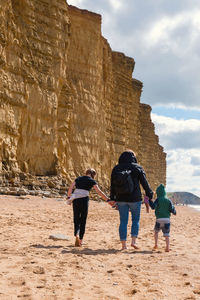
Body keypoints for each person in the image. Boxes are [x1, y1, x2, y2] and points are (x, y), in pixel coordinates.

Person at [110, 150, 153, 250]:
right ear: (133, 157)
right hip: (135, 198)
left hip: (121, 198)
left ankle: (123, 245)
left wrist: (112, 198)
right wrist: (149, 194)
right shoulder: (137, 167)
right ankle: (133, 242)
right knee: (135, 220)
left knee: (123, 221)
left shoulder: (116, 168)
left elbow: (112, 185)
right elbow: (144, 183)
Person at [67, 168, 110, 247]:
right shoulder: (91, 180)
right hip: (84, 200)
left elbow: (71, 187)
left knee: (76, 218)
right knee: (83, 219)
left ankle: (76, 233)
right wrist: (107, 199)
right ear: (93, 175)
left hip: (76, 200)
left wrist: (69, 197)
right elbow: (99, 191)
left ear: (86, 173)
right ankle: (80, 240)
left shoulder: (79, 178)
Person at [148, 183, 176, 252]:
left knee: (156, 232)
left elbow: (153, 207)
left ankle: (156, 244)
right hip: (167, 220)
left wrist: (149, 201)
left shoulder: (158, 199)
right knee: (166, 234)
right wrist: (174, 211)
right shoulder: (168, 200)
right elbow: (172, 210)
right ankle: (167, 247)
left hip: (159, 219)